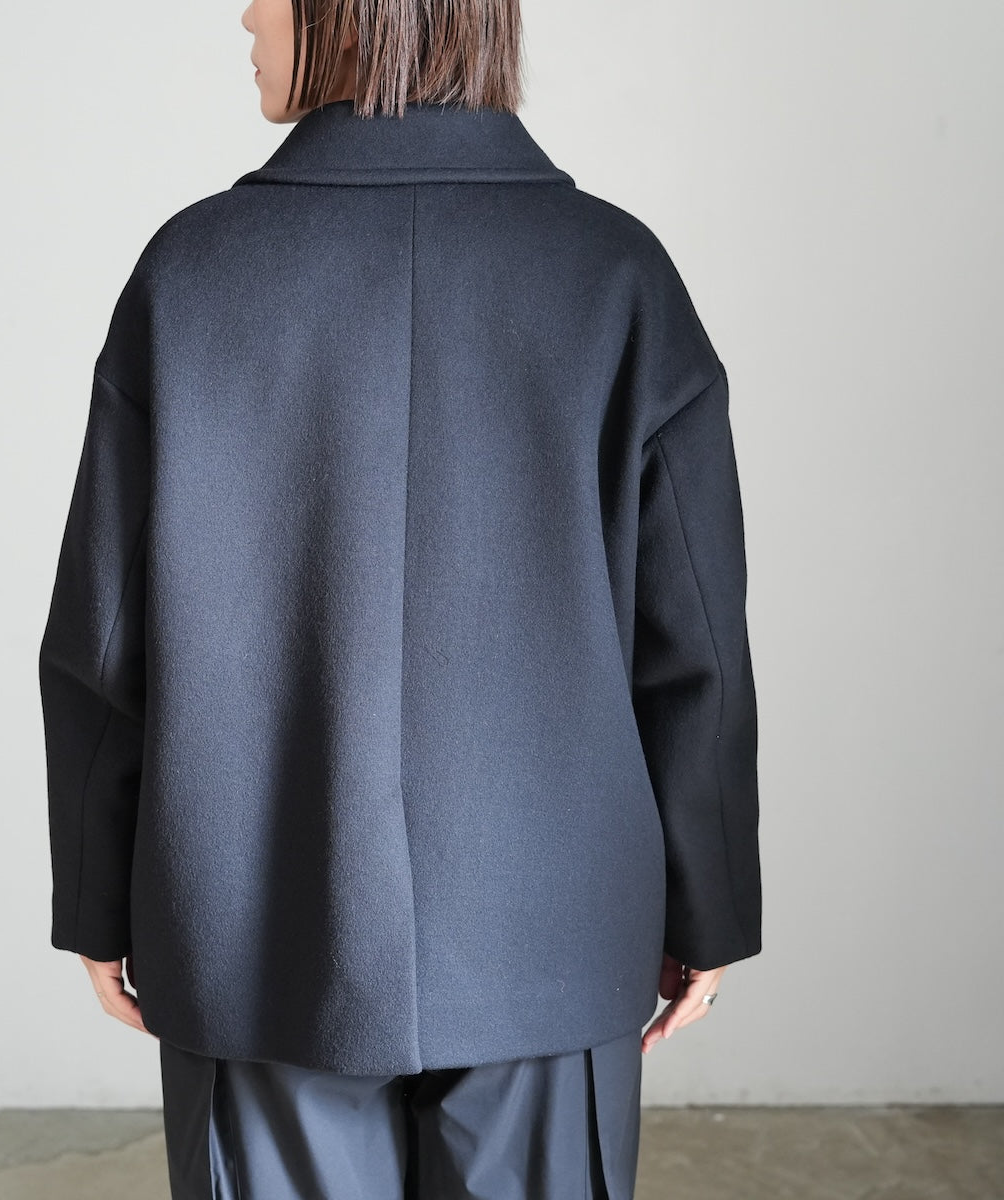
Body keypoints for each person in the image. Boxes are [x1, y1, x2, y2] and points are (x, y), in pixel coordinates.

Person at [37, 0, 762, 1196]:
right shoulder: (617, 275)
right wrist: (710, 901)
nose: (245, 12)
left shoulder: (192, 274)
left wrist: (100, 893)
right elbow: (695, 647)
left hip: (255, 934)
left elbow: (102, 643)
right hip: (555, 937)